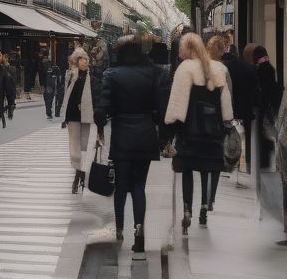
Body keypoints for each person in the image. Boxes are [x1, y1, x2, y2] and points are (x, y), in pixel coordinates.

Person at [96, 34, 160, 255]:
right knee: (139, 186)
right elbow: (158, 106)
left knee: (121, 186)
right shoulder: (151, 74)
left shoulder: (111, 74)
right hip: (145, 132)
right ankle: (139, 231)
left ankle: (120, 229)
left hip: (122, 132)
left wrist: (100, 127)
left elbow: (103, 108)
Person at [164, 32, 233, 232]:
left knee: (187, 169)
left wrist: (169, 132)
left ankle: (187, 209)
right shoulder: (216, 67)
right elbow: (225, 101)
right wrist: (227, 124)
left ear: (185, 49)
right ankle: (204, 205)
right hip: (212, 130)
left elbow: (177, 103)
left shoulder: (185, 68)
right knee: (206, 168)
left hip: (190, 130)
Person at [59, 47, 102, 193]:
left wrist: (99, 121)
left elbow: (97, 98)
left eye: (87, 59)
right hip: (72, 116)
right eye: (83, 59)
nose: (86, 61)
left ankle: (79, 176)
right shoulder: (71, 76)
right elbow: (65, 94)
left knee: (85, 148)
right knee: (75, 151)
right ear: (76, 61)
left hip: (88, 117)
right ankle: (78, 173)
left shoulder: (93, 77)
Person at [222, 40, 257, 173]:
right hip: (245, 112)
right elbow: (255, 94)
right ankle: (243, 164)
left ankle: (231, 162)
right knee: (244, 140)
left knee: (230, 138)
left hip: (230, 111)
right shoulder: (251, 71)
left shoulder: (229, 66)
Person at [38, 54, 62, 120]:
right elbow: (59, 77)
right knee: (50, 99)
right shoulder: (55, 67)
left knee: (47, 99)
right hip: (51, 85)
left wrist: (42, 85)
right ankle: (50, 112)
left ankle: (49, 112)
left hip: (47, 85)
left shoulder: (41, 66)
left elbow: (41, 77)